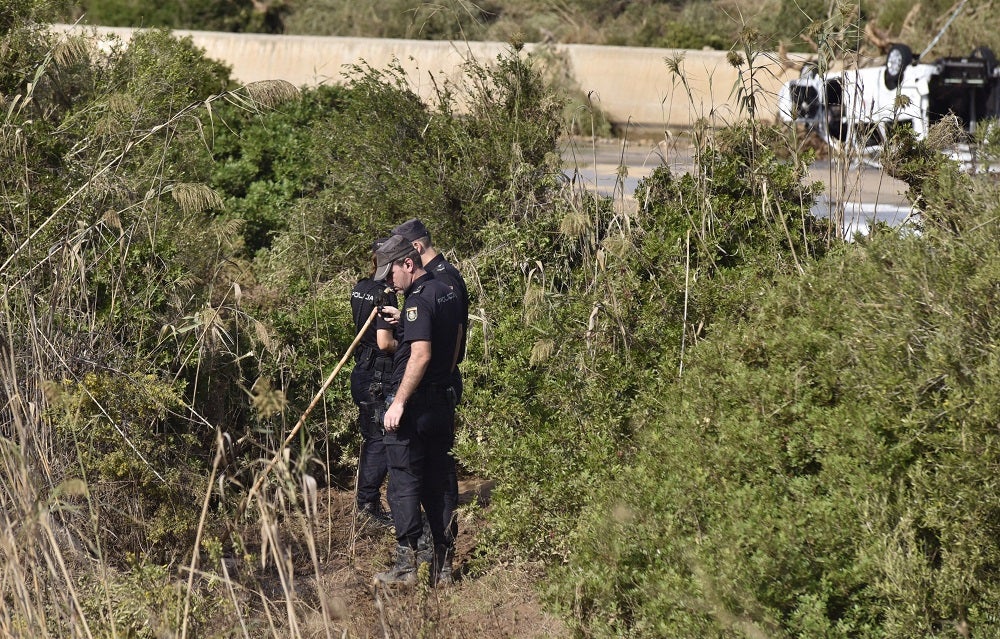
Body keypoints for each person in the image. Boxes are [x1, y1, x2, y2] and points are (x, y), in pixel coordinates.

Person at [371, 234, 462, 587]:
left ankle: (407, 566)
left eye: (390, 274)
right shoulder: (447, 288)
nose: (389, 283)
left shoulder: (418, 300)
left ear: (408, 264)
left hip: (415, 403)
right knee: (441, 482)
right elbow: (449, 340)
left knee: (404, 482)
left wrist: (398, 403)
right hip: (441, 398)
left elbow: (420, 353)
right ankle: (444, 566)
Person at [390, 218, 468, 555]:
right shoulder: (445, 284)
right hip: (440, 386)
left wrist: (440, 379)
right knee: (439, 475)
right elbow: (455, 329)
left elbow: (428, 351)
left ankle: (417, 551)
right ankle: (442, 554)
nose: (392, 282)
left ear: (414, 253)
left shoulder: (437, 281)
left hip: (428, 391)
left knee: (412, 476)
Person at [349, 238, 398, 531]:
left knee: (373, 438)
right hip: (378, 375)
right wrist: (408, 343)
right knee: (380, 439)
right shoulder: (384, 294)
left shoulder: (360, 287)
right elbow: (384, 341)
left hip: (362, 370)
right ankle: (367, 505)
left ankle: (367, 501)